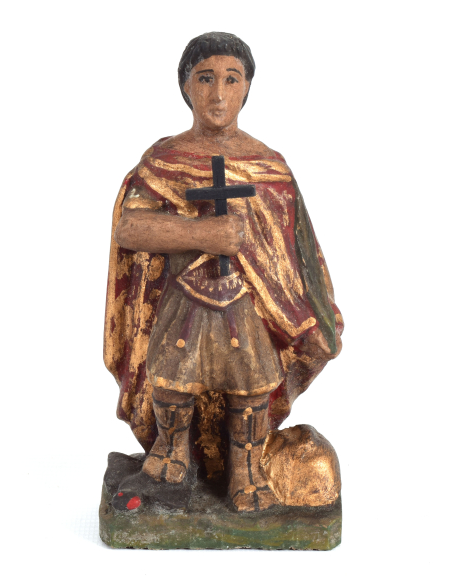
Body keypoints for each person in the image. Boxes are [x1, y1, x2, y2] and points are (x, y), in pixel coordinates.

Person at [104, 32, 343, 512]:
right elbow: (131, 227)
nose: (218, 94)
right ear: (185, 86)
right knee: (172, 380)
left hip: (246, 303)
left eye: (231, 80)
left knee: (251, 385)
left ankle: (246, 472)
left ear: (248, 87)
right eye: (205, 78)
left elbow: (294, 251)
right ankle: (172, 460)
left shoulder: (269, 166)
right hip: (185, 297)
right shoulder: (165, 161)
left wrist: (306, 312)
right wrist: (202, 234)